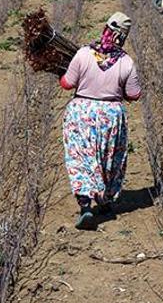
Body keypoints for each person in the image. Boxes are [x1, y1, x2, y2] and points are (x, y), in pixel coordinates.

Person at [60, 12, 141, 230]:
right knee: (108, 158)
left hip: (81, 114)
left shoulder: (83, 54)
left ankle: (86, 206)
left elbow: (67, 83)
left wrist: (63, 76)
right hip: (110, 116)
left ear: (105, 29)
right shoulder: (126, 62)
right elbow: (134, 94)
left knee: (80, 158)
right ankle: (105, 201)